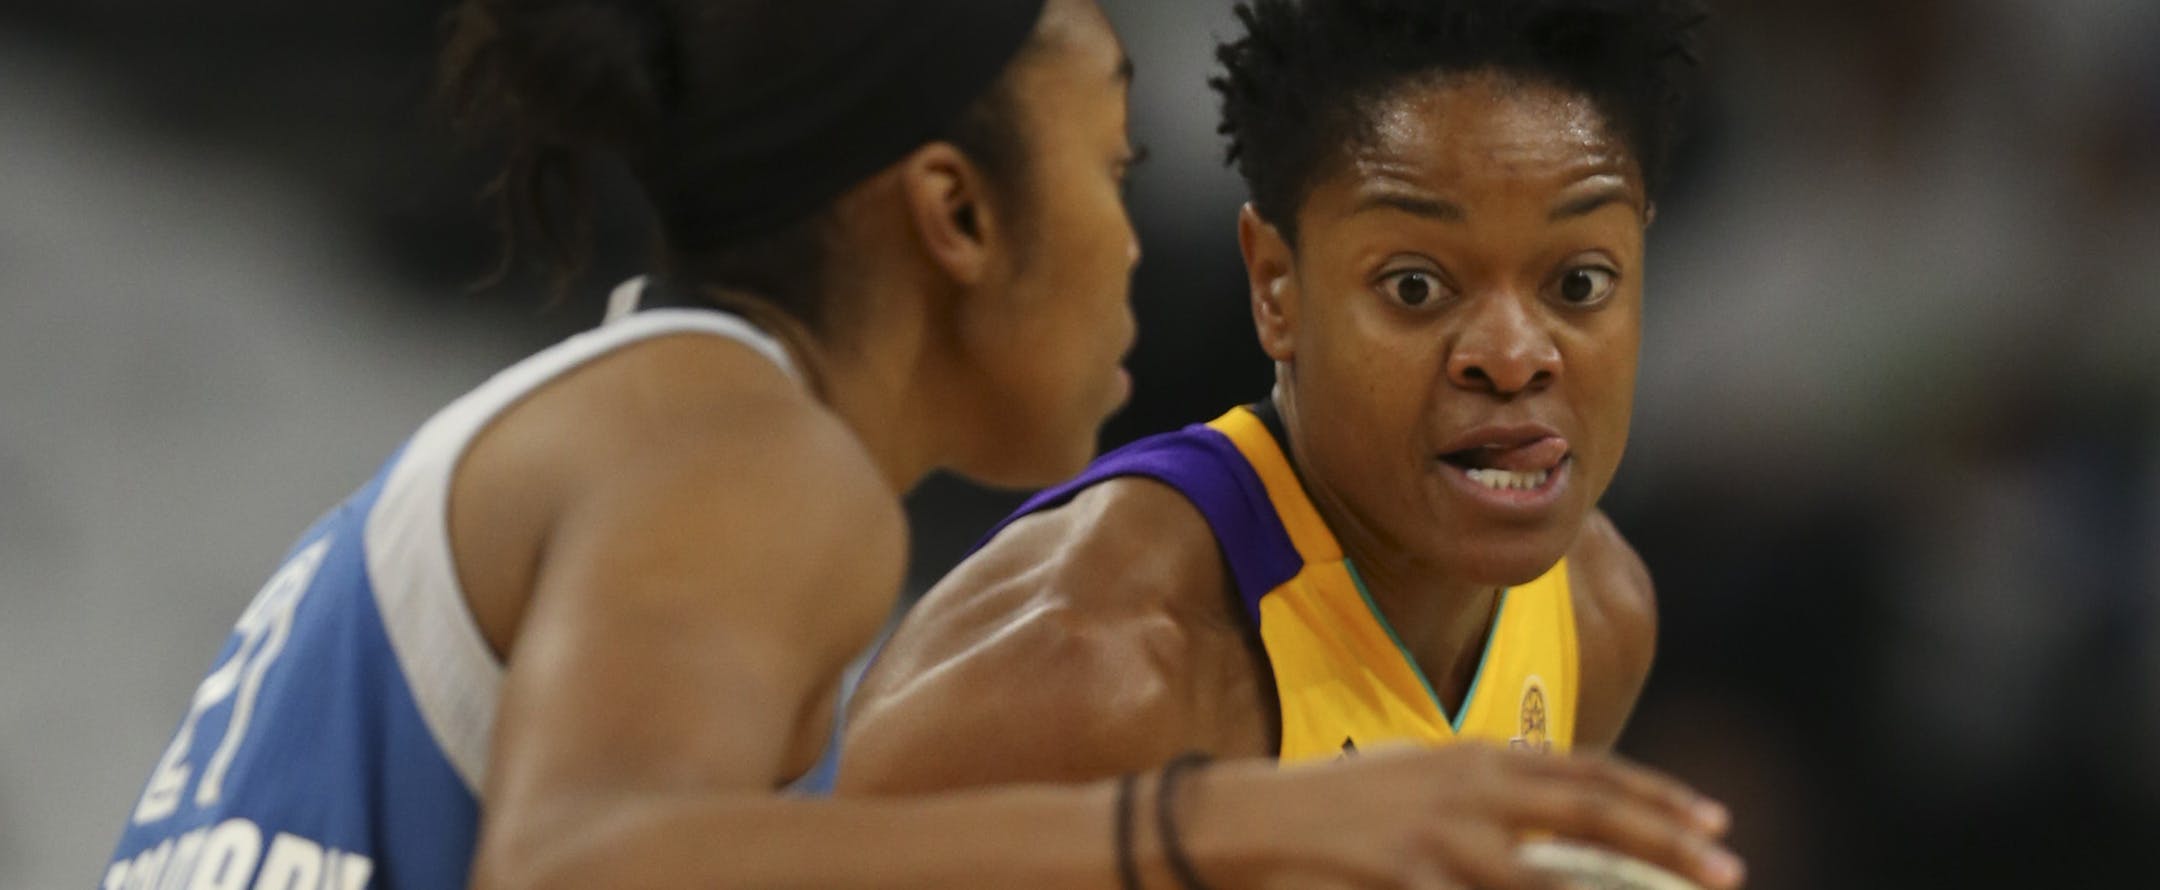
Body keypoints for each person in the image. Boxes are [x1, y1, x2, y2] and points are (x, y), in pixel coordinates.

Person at [101, 0, 1739, 887]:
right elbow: (581, 868)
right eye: (1111, 169)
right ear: (956, 214)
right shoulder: (752, 467)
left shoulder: (664, 436)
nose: (1127, 248)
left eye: (1582, 277)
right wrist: (1235, 823)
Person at [843, 0, 1741, 885]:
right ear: (1276, 286)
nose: (1512, 358)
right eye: (1416, 287)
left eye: (1580, 281)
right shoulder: (1083, 675)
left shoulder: (1600, 613)